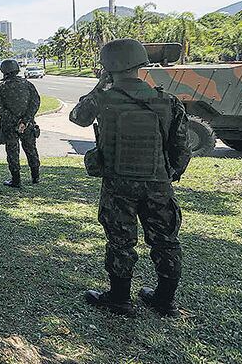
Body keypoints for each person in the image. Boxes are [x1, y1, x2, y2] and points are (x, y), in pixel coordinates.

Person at [70, 38, 191, 317]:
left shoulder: (102, 99)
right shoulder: (166, 100)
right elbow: (182, 149)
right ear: (139, 63)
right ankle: (164, 299)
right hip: (157, 182)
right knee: (166, 241)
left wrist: (101, 84)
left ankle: (120, 298)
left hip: (118, 184)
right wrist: (169, 174)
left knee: (120, 241)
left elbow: (78, 116)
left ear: (107, 66)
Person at [0, 59, 41, 188]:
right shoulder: (28, 85)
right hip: (28, 125)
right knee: (31, 150)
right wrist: (25, 121)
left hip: (9, 126)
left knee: (13, 152)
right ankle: (35, 177)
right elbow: (35, 103)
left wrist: (16, 121)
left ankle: (16, 180)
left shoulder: (0, 88)